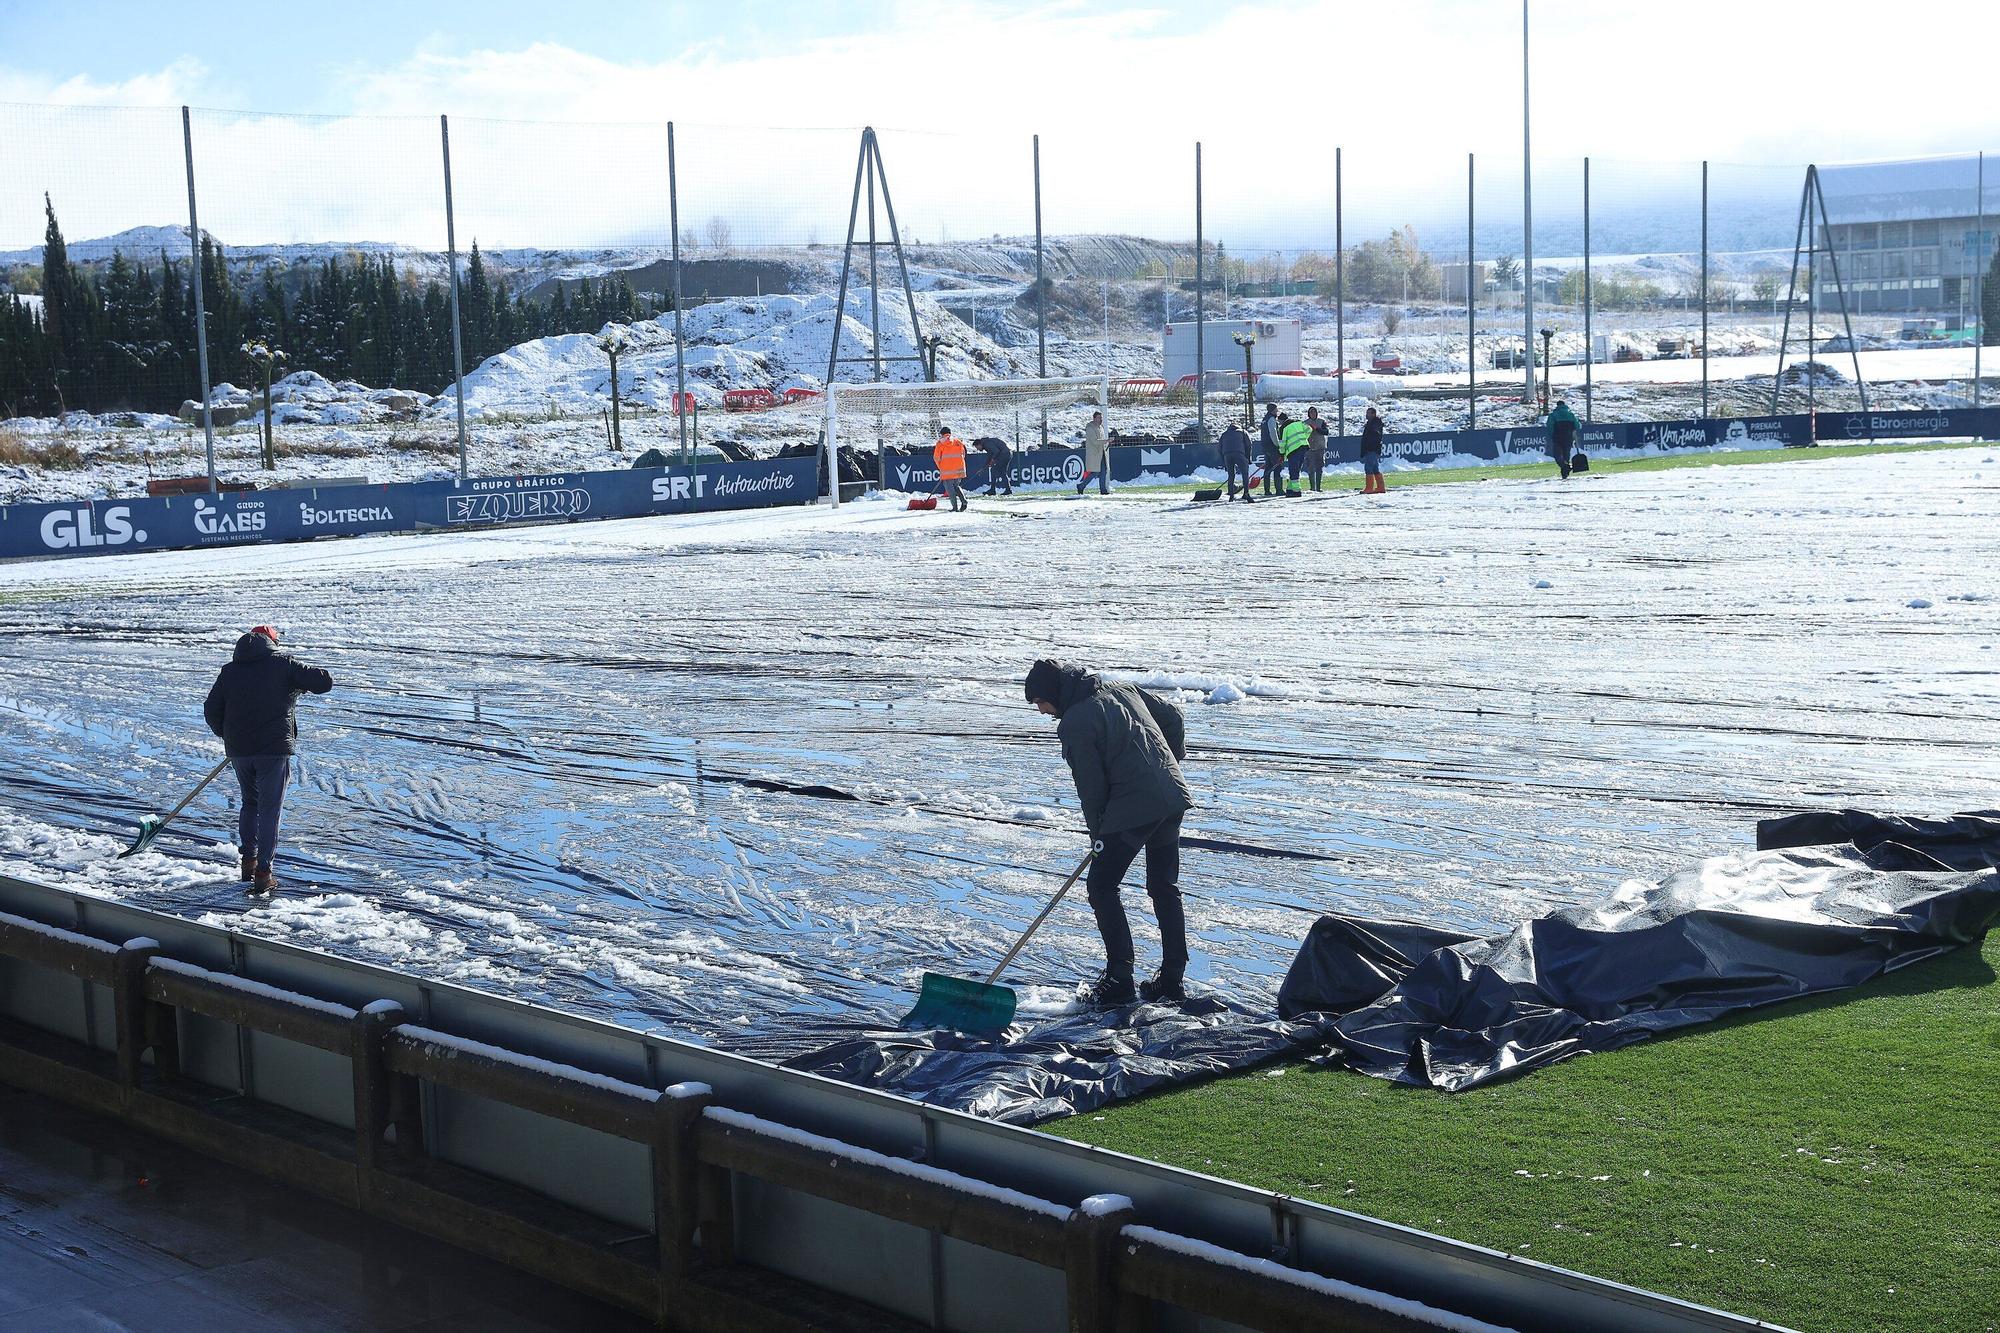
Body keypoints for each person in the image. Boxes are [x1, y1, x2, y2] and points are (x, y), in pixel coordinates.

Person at [1024, 659, 1194, 1006]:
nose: (1042, 711)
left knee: (1101, 885)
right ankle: (1172, 979)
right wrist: (1168, 767)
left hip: (1134, 809)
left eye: (1040, 702)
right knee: (1163, 885)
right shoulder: (1123, 689)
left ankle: (1119, 978)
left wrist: (1098, 835)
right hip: (1171, 797)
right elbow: (1173, 718)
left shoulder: (1074, 723)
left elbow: (1092, 787)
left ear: (1054, 693)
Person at [203, 625, 334, 893]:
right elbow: (324, 681)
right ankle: (264, 872)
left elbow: (211, 709)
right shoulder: (283, 664)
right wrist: (295, 680)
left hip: (240, 751)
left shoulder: (230, 671)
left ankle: (248, 863)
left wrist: (228, 735)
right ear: (272, 642)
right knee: (270, 809)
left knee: (249, 804)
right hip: (273, 751)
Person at [933, 424, 969, 511]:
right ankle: (964, 501)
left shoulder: (940, 443)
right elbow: (963, 454)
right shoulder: (957, 441)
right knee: (956, 486)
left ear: (942, 434)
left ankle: (954, 508)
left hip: (947, 470)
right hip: (959, 469)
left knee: (950, 490)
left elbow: (936, 458)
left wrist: (941, 468)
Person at [1217, 422, 1254, 502]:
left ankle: (1231, 496)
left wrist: (1224, 462)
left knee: (1231, 475)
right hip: (1239, 453)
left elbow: (1219, 449)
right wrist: (1248, 458)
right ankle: (1246, 493)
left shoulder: (1224, 434)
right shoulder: (1243, 432)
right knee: (1245, 473)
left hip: (1227, 455)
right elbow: (1249, 445)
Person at [1076, 410, 1110, 495]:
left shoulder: (1101, 427)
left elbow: (1101, 440)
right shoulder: (1090, 428)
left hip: (1101, 453)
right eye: (1099, 418)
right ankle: (1081, 486)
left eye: (1101, 418)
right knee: (1095, 472)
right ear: (1094, 418)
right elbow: (1095, 441)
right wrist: (1106, 441)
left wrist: (1106, 443)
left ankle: (1103, 490)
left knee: (1103, 471)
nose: (1101, 419)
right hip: (1094, 454)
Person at [1547, 399, 1581, 480]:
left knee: (1557, 455)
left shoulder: (1553, 415)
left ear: (1557, 406)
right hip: (1568, 438)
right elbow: (1577, 426)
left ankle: (1565, 467)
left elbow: (1550, 427)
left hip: (1557, 437)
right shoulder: (1571, 414)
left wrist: (1552, 435)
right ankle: (1565, 474)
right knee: (1566, 455)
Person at [1278, 413, 1311, 495]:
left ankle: (1296, 490)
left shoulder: (1283, 428)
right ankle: (1290, 488)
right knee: (1296, 469)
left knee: (1293, 470)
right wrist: (1302, 439)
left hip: (1293, 450)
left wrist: (1281, 454)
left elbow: (1282, 443)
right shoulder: (1299, 422)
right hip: (1303, 447)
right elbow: (1309, 430)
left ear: (1281, 421)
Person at [1257, 403, 1284, 496]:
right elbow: (1273, 433)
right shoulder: (1271, 419)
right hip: (1272, 447)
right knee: (1277, 467)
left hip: (1265, 446)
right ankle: (1279, 490)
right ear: (1273, 410)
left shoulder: (1264, 419)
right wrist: (1278, 445)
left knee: (1268, 468)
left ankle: (1267, 490)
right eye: (1276, 410)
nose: (1277, 411)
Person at [1360, 406, 1386, 494]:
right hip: (1372, 449)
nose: (1366, 415)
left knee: (1368, 467)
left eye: (1368, 413)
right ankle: (1380, 487)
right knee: (1375, 468)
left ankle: (1369, 488)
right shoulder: (1371, 423)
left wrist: (1369, 445)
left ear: (1373, 414)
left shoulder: (1375, 423)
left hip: (1372, 449)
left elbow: (1375, 435)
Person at [1303, 407, 1329, 492]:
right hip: (1309, 448)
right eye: (1311, 412)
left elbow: (1326, 432)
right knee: (1310, 468)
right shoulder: (1305, 423)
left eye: (1314, 412)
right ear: (1308, 414)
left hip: (1320, 447)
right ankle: (1312, 487)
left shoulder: (1321, 421)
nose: (1313, 414)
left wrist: (1317, 429)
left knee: (1319, 467)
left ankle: (1318, 487)